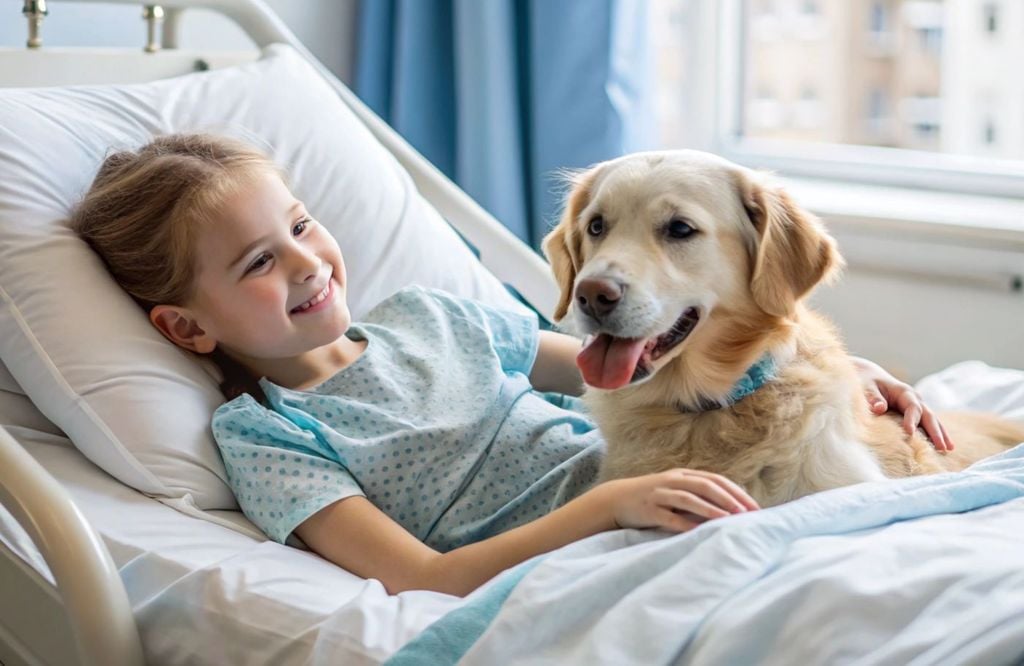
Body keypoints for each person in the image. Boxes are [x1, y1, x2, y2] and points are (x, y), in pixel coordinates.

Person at [73, 133, 952, 597]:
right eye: (257, 263)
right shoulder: (267, 436)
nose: (306, 264)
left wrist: (845, 368)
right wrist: (611, 504)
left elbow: (645, 367)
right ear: (186, 329)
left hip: (661, 493)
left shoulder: (433, 317)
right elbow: (422, 578)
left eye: (300, 227)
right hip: (592, 554)